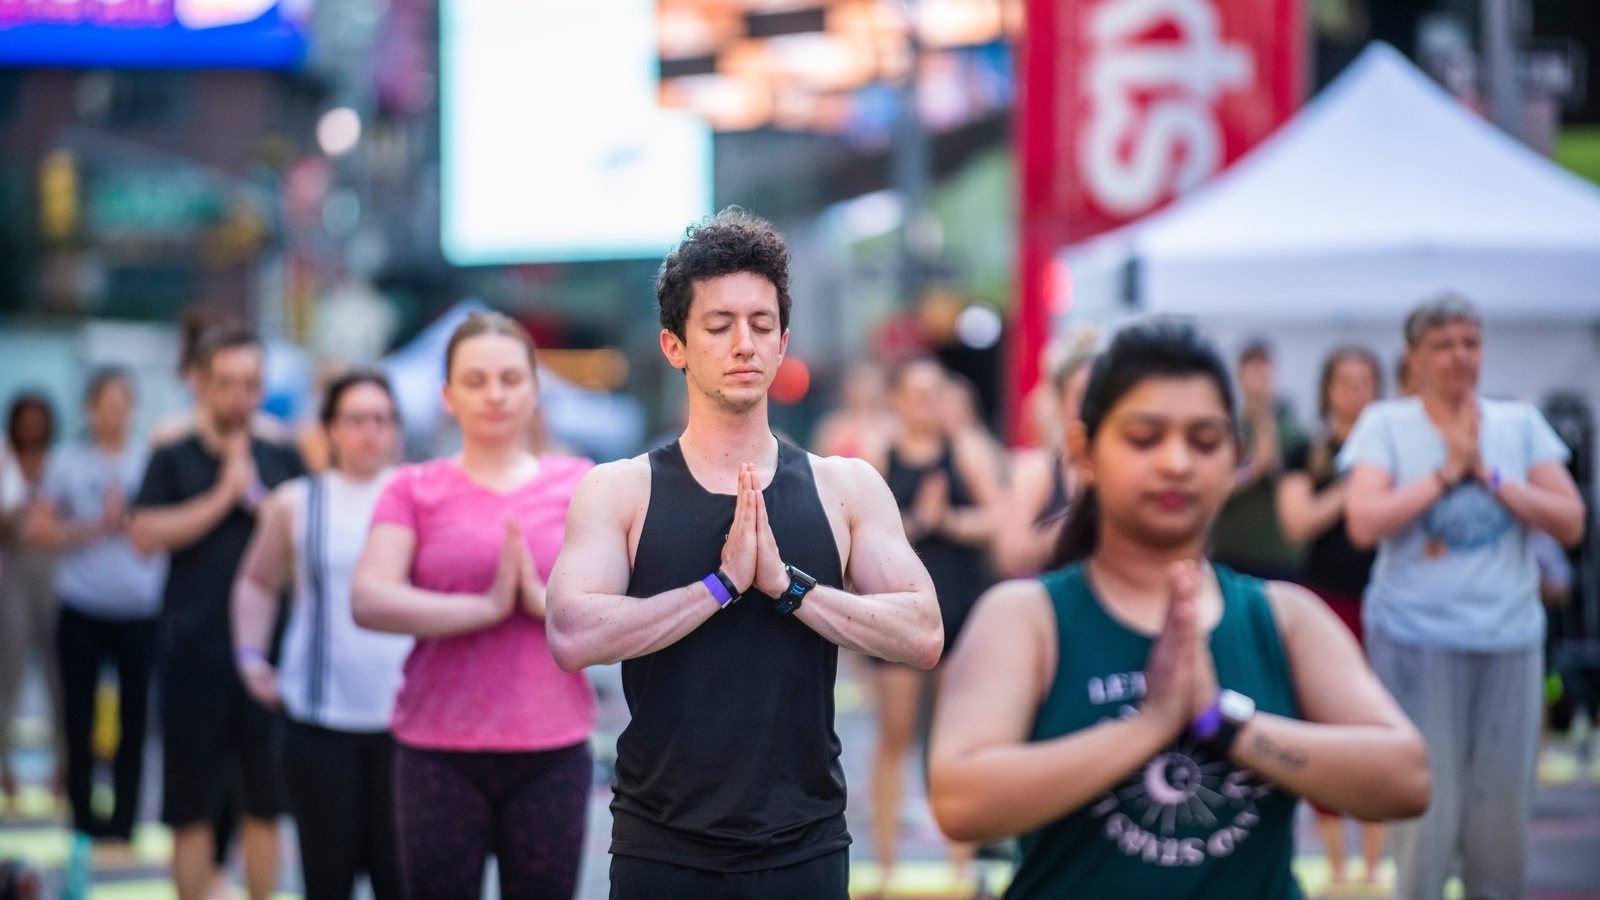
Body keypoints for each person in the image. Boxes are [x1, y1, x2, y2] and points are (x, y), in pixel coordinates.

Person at [926, 320, 1431, 899]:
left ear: (1237, 458)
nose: (1176, 462)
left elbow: (1407, 778)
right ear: (1084, 451)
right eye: (1144, 437)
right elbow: (960, 799)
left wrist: (1224, 723)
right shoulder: (1027, 617)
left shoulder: (1285, 617)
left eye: (1205, 440)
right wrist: (1150, 727)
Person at [545, 208, 943, 900]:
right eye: (720, 325)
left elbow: (923, 633)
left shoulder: (844, 485)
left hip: (806, 843)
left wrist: (790, 588)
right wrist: (720, 587)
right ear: (675, 346)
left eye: (761, 325)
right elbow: (572, 635)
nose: (744, 344)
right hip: (663, 845)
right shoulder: (621, 489)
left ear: (784, 342)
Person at [1342, 294, 1585, 900]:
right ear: (1415, 357)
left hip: (1508, 639)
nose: (1460, 357)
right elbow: (1363, 522)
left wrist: (1494, 477)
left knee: (1501, 810)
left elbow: (1571, 521)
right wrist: (1447, 473)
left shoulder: (1519, 425)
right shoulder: (1386, 425)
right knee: (1428, 806)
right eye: (1444, 345)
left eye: (1470, 343)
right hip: (1415, 638)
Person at [351, 312, 596, 900]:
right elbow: (369, 597)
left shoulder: (581, 482)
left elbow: (614, 602)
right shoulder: (412, 487)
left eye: (511, 379)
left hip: (552, 747)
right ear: (447, 395)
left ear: (535, 389)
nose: (495, 394)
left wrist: (542, 602)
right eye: (476, 379)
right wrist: (483, 608)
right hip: (438, 748)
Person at [129, 326, 306, 900]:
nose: (238, 396)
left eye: (250, 384)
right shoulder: (173, 454)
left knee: (265, 806)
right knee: (188, 811)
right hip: (190, 651)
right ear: (202, 383)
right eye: (226, 383)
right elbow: (144, 535)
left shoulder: (281, 454)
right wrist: (220, 498)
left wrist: (256, 499)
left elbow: (306, 548)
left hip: (266, 658)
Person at [231, 371, 411, 900]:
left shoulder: (419, 495)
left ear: (396, 428)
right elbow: (257, 582)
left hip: (405, 725)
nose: (369, 432)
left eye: (381, 419)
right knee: (325, 880)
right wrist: (249, 655)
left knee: (399, 880)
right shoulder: (297, 501)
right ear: (331, 429)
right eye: (355, 419)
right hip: (318, 720)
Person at [860, 358, 1000, 891]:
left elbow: (998, 518)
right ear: (896, 399)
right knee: (894, 737)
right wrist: (919, 521)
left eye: (935, 392)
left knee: (953, 737)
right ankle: (888, 867)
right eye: (916, 394)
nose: (927, 404)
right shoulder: (881, 452)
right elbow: (864, 529)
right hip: (896, 610)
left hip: (958, 607)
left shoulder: (963, 448)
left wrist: (949, 521)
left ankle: (960, 867)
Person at [22, 371, 164, 845]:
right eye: (106, 402)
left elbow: (160, 533)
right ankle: (82, 817)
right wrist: (98, 526)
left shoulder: (151, 462)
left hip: (141, 608)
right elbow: (39, 533)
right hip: (82, 603)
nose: (115, 411)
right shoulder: (67, 463)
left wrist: (133, 524)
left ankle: (124, 821)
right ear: (89, 409)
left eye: (124, 401)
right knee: (77, 716)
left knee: (134, 719)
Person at [1273, 347, 1385, 886]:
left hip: (1384, 599)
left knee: (1380, 721)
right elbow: (1297, 522)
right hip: (1325, 599)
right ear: (1327, 389)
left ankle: (1374, 861)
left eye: (1365, 381)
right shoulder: (1308, 451)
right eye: (1345, 381)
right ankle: (1339, 865)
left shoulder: (1394, 452)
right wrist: (1354, 486)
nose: (1355, 392)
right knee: (1324, 722)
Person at [0, 394, 64, 813]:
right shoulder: (5, 463)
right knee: (9, 672)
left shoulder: (60, 466)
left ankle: (63, 768)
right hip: (11, 576)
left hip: (55, 575)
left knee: (61, 676)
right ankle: (5, 766)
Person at [994, 348, 1095, 579]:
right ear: (1061, 402)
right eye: (1082, 396)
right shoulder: (1039, 470)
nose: (1093, 406)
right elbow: (1007, 556)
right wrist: (1066, 533)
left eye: (1101, 396)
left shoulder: (1128, 467)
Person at [1209, 341, 1306, 581]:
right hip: (1230, 552)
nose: (1259, 380)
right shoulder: (1224, 427)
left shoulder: (1294, 431)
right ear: (1240, 375)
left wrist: (1264, 417)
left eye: (1264, 372)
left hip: (1280, 556)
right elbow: (1215, 487)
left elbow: (1277, 471)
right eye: (1252, 371)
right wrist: (1254, 470)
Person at [811, 362, 896, 461]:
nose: (863, 390)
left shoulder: (892, 425)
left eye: (867, 384)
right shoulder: (831, 425)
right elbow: (818, 460)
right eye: (858, 384)